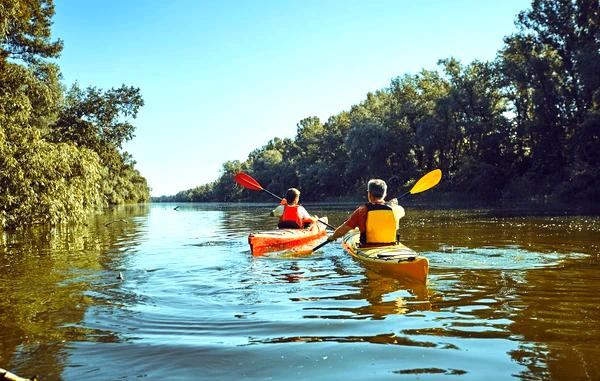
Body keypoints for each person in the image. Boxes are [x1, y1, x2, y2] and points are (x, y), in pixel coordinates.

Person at [327, 179, 405, 246]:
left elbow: (343, 230)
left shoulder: (361, 211)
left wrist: (333, 237)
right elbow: (402, 212)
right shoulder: (395, 209)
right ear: (385, 195)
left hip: (367, 247)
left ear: (369, 194)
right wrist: (393, 204)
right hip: (390, 246)